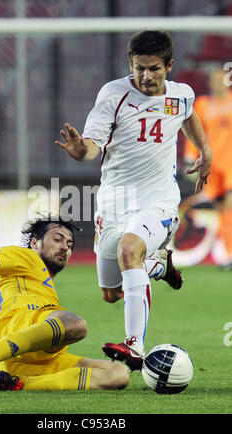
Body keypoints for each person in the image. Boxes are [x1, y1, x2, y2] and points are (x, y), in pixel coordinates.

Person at [55, 30, 212, 371]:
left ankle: (134, 347)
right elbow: (91, 144)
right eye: (139, 68)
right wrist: (81, 150)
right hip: (114, 203)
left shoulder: (181, 94)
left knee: (129, 249)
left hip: (159, 200)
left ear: (169, 66)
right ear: (130, 64)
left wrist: (206, 151)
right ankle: (158, 265)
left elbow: (187, 114)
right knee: (110, 292)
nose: (146, 76)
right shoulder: (114, 94)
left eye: (154, 68)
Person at [0, 216, 129, 391]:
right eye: (57, 239)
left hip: (35, 360)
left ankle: (17, 384)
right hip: (21, 328)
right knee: (75, 324)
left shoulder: (43, 280)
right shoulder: (27, 256)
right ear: (35, 243)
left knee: (119, 373)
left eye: (69, 244)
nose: (64, 247)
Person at [184, 68, 232, 269]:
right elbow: (195, 131)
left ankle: (227, 253)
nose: (217, 83)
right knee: (220, 209)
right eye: (213, 79)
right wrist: (190, 157)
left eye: (220, 79)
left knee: (229, 204)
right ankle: (225, 248)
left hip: (230, 164)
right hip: (211, 166)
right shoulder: (203, 105)